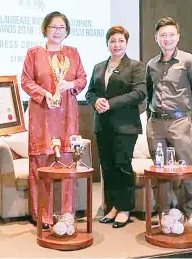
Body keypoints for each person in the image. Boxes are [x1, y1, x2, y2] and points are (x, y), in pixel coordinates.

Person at [21, 11, 87, 228]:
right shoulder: (34, 53)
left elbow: (82, 78)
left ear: (66, 31)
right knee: (42, 166)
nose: (57, 31)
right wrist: (44, 94)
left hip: (67, 115)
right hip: (42, 115)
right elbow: (25, 81)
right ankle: (43, 216)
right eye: (53, 27)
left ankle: (66, 213)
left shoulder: (73, 53)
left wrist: (72, 85)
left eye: (61, 27)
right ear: (45, 29)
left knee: (67, 166)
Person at [146, 17, 192, 226]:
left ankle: (188, 211)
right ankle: (163, 211)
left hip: (180, 122)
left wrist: (182, 109)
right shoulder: (152, 64)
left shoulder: (189, 61)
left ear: (178, 37)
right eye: (163, 35)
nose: (167, 39)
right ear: (156, 38)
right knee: (159, 169)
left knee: (186, 168)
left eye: (171, 34)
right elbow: (149, 92)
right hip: (156, 124)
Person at [85, 25, 146, 228]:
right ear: (107, 44)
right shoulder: (99, 67)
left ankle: (125, 208)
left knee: (122, 167)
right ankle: (112, 207)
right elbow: (90, 92)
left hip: (125, 126)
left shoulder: (136, 66)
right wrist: (95, 102)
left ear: (126, 43)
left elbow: (139, 93)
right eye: (112, 41)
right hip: (102, 126)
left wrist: (111, 102)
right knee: (108, 168)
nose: (116, 44)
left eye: (120, 40)